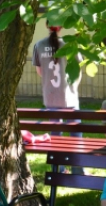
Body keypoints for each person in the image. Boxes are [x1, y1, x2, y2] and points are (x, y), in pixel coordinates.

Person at [32, 23, 83, 173]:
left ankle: (59, 168)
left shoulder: (38, 45)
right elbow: (78, 69)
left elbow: (40, 71)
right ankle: (77, 166)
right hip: (70, 97)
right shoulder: (70, 44)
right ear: (61, 27)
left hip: (51, 97)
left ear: (47, 25)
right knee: (75, 133)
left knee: (56, 134)